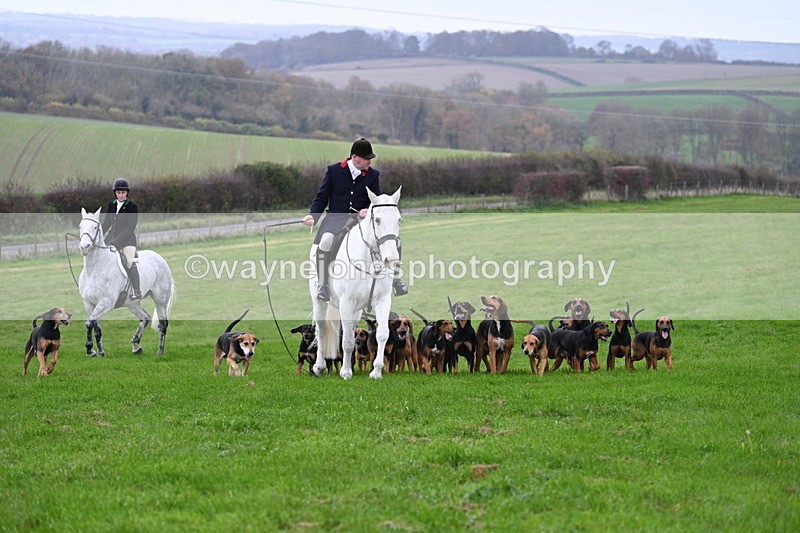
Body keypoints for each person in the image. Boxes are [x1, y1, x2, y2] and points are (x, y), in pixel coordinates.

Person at [303, 137, 408, 302]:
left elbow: (376, 199)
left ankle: (395, 279)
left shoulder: (373, 175)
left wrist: (368, 210)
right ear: (355, 157)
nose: (370, 162)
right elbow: (322, 197)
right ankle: (323, 285)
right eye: (367, 159)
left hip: (362, 221)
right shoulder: (333, 171)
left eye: (371, 159)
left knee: (396, 241)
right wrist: (313, 216)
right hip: (336, 220)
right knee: (326, 241)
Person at [103, 178, 142, 300]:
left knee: (129, 261)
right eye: (118, 192)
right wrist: (97, 238)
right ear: (115, 193)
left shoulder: (132, 207)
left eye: (123, 192)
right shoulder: (111, 205)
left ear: (127, 193)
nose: (121, 195)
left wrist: (117, 241)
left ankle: (136, 290)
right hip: (110, 239)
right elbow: (106, 224)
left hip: (127, 241)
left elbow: (130, 228)